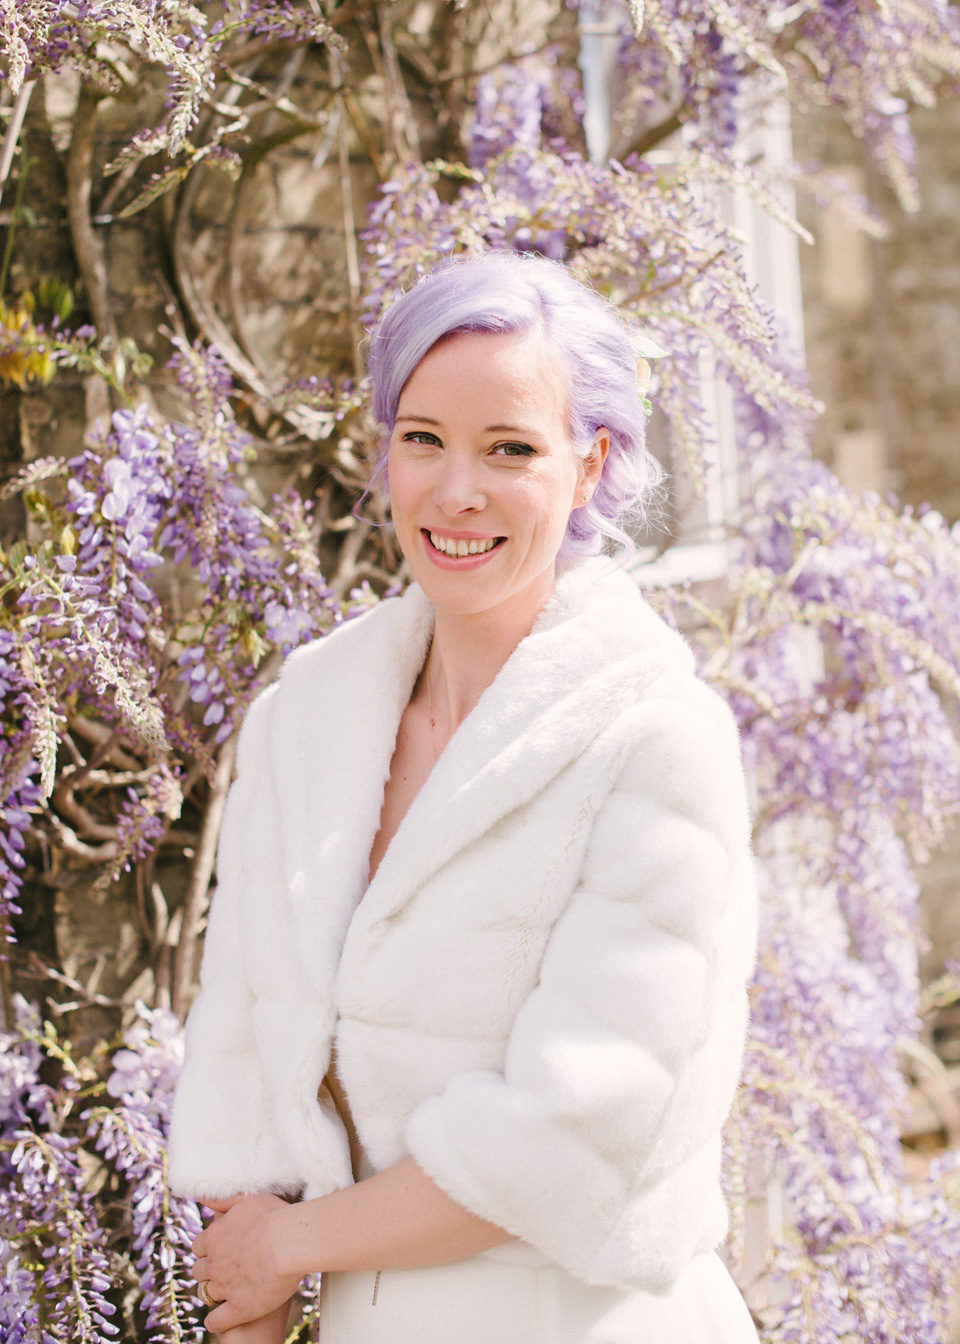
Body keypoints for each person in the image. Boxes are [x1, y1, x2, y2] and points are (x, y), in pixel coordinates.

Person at [167, 250, 761, 1344]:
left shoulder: (656, 739)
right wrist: (244, 1290)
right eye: (423, 439)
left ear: (590, 467)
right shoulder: (305, 721)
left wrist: (293, 1247)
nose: (454, 492)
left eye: (511, 450)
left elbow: (571, 1138)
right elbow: (245, 1063)